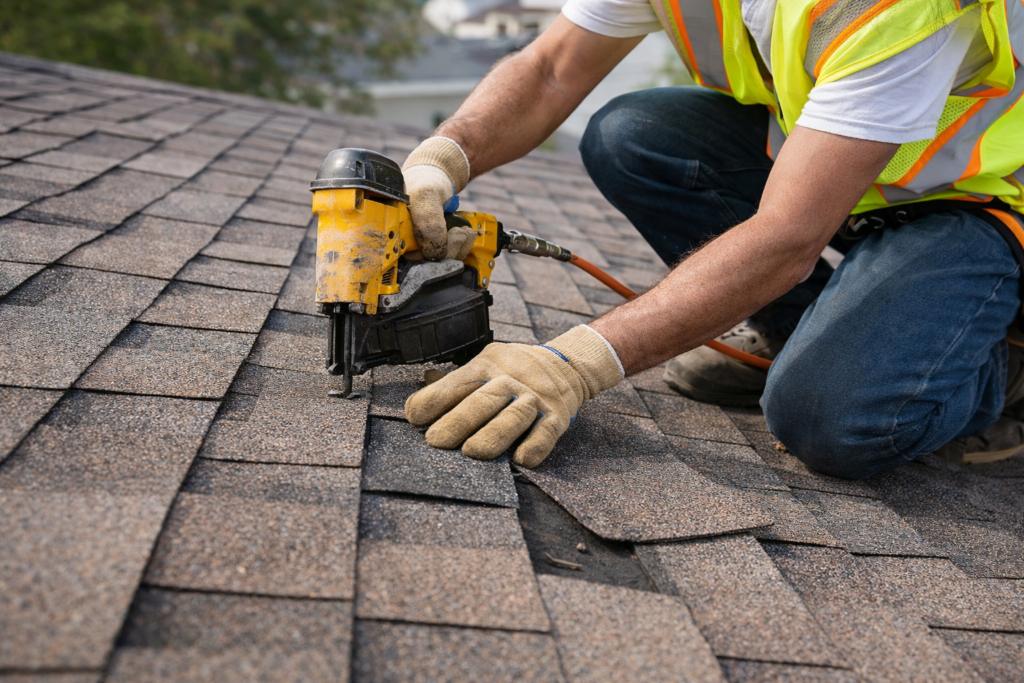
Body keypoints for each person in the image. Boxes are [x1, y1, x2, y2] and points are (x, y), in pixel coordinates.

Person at [400, 0, 1024, 479]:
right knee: (632, 134)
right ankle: (803, 334)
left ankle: (995, 369)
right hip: (838, 169)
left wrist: (571, 366)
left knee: (826, 420)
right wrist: (439, 160)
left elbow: (787, 236)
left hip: (977, 202)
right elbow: (549, 70)